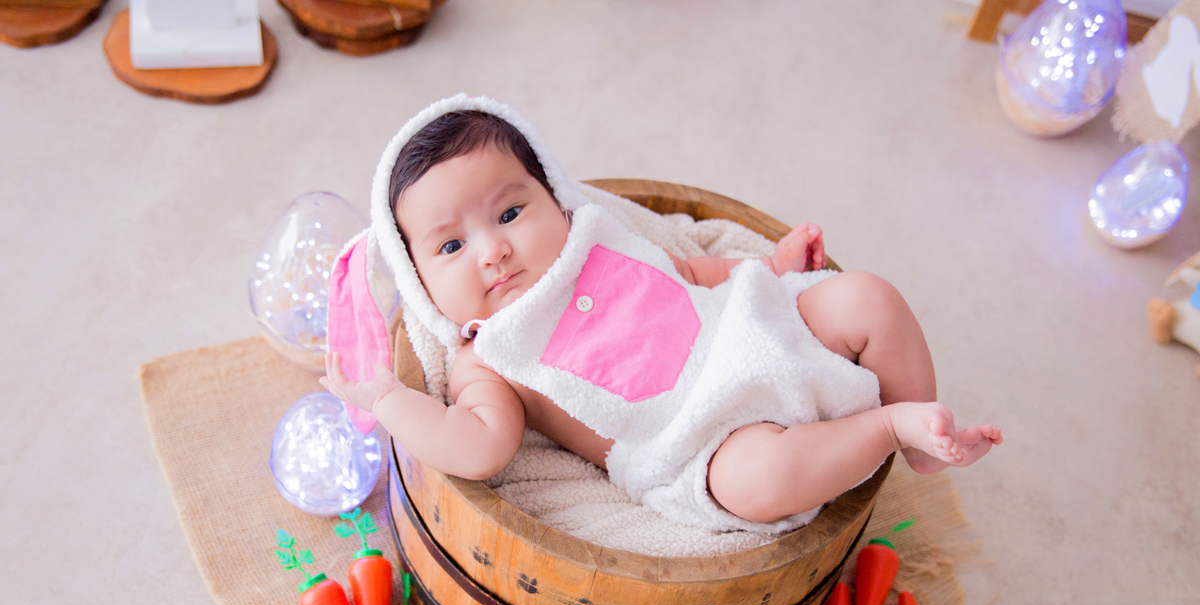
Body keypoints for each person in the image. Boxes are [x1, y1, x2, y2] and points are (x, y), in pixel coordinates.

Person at [321, 96, 1001, 533]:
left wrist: (775, 269)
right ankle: (888, 425)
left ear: (553, 198)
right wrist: (385, 396)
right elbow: (477, 446)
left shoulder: (598, 238)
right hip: (694, 441)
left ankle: (922, 445)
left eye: (509, 212)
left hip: (755, 331)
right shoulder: (488, 356)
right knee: (759, 481)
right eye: (451, 245)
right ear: (419, 283)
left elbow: (692, 276)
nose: (493, 250)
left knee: (867, 296)